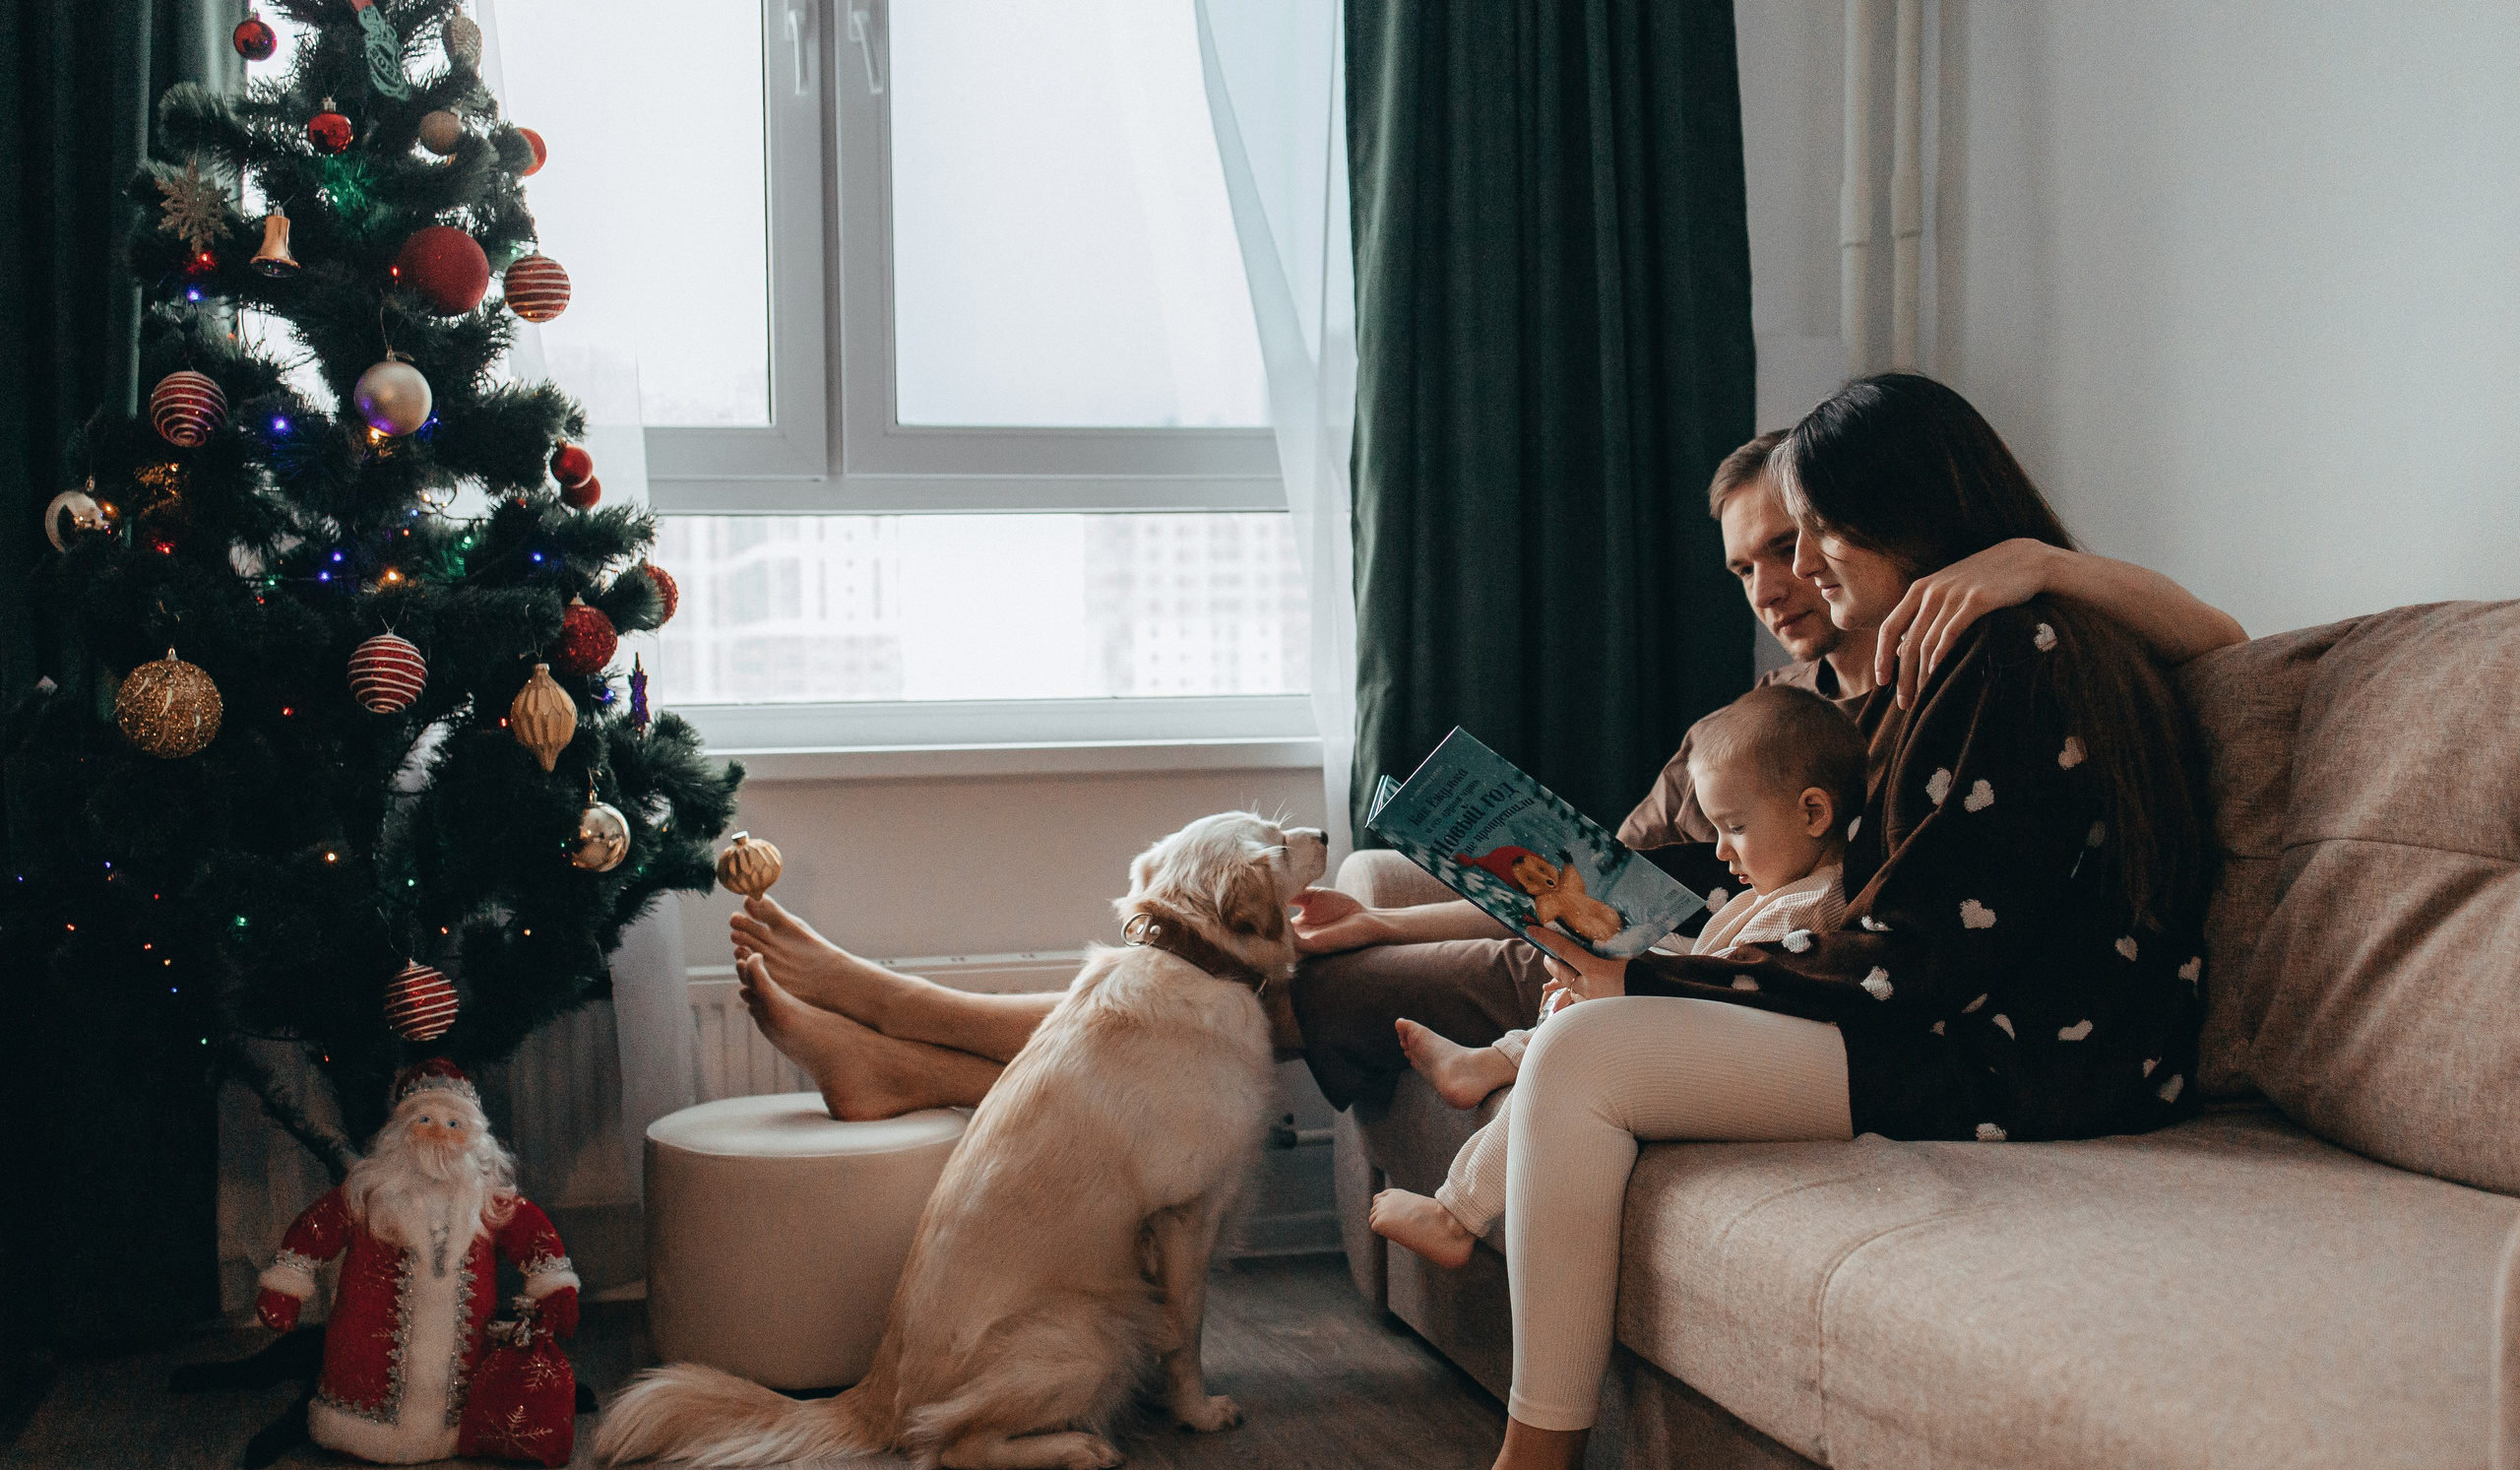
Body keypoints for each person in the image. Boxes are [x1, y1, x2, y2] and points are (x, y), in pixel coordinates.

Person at [1339, 370, 2231, 1470]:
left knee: (1588, 1050)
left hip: (2019, 1053)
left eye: (1814, 533)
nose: (1800, 568)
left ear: (1906, 509)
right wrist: (1650, 968)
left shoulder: (2013, 647)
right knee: (1588, 1022)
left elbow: (1917, 960)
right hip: (1945, 1017)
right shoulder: (1913, 660)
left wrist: (1664, 980)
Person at [726, 417, 2241, 1131]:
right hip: (1634, 940)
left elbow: (2220, 649)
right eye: (1750, 565)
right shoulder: (1783, 700)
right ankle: (924, 1046)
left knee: (1308, 973)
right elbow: (1624, 858)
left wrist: (2041, 557)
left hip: (1706, 980)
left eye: (1795, 547)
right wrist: (1503, 868)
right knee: (1367, 895)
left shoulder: (1962, 666)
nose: (1779, 583)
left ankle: (923, 1037)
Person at [1371, 685, 1865, 1269]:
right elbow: (1715, 964)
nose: (1722, 853)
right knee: (1588, 996)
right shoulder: (1776, 889)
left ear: (1813, 812)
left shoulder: (1814, 903)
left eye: (1734, 828)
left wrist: (1639, 980)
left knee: (1585, 1033)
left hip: (1741, 1050)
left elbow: (1743, 989)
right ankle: (1493, 1063)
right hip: (1712, 1024)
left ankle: (1457, 1215)